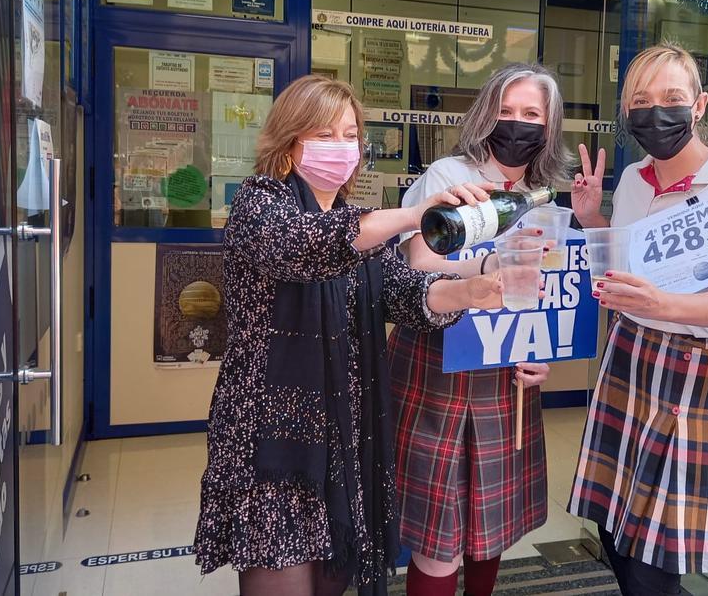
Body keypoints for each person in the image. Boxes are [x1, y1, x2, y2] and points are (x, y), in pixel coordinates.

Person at [194, 75, 509, 596]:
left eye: (350, 134)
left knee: (331, 580)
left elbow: (406, 295)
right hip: (275, 441)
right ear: (288, 142)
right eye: (323, 134)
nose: (341, 148)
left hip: (344, 433)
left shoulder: (355, 220)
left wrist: (471, 291)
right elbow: (307, 247)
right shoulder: (260, 205)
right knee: (285, 577)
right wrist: (419, 213)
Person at [568, 43, 708, 596]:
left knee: (657, 555)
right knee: (612, 525)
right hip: (632, 358)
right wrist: (592, 216)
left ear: (699, 105)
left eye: (671, 98)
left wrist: (665, 307)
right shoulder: (637, 182)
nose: (656, 112)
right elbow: (624, 273)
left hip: (706, 373)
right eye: (640, 101)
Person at [388, 63, 573, 596]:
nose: (517, 124)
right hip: (438, 365)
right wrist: (486, 271)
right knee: (438, 532)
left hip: (505, 374)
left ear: (549, 124)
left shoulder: (544, 197)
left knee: (492, 526)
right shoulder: (449, 177)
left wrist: (542, 353)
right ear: (486, 113)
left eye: (531, 114)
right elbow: (415, 267)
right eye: (506, 110)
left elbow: (549, 294)